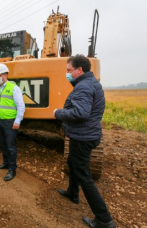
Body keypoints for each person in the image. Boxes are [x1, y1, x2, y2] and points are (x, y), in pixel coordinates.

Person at [54, 54, 116, 228]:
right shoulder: (90, 83)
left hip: (83, 136)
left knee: (84, 176)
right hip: (84, 134)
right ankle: (72, 193)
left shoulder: (83, 87)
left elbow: (80, 113)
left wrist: (58, 113)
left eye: (69, 70)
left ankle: (104, 220)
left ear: (79, 70)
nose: (67, 73)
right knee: (72, 163)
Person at [0, 63, 25, 181]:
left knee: (11, 146)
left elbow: (21, 105)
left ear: (5, 75)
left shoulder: (13, 88)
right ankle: (5, 163)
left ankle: (12, 169)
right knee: (3, 144)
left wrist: (17, 120)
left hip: (10, 122)